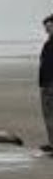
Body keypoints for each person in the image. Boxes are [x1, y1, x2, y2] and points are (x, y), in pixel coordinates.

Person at [41, 14, 53, 153]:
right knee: (49, 116)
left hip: (50, 84)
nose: (46, 29)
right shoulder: (49, 42)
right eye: (46, 27)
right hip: (47, 83)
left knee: (50, 115)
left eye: (49, 26)